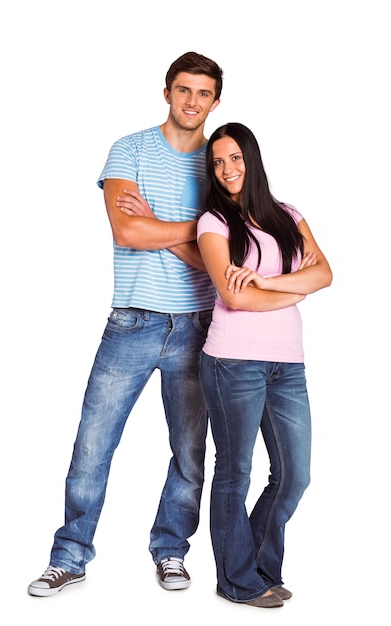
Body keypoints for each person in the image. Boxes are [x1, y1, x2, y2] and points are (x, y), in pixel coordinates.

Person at [27, 51, 223, 597]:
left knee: (190, 450)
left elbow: (219, 254)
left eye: (203, 93)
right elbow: (126, 234)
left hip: (201, 325)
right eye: (183, 90)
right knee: (93, 443)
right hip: (132, 320)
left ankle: (171, 551)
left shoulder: (219, 162)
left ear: (215, 101)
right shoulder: (130, 149)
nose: (192, 102)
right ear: (167, 92)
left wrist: (159, 224)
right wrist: (193, 233)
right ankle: (69, 555)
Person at [196, 122, 332, 608]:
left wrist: (264, 282)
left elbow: (326, 274)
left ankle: (255, 566)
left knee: (295, 474)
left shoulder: (287, 215)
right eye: (218, 162)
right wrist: (291, 283)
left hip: (287, 366)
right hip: (232, 363)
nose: (228, 169)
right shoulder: (213, 222)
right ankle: (236, 579)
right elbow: (233, 296)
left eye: (235, 158)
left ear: (251, 159)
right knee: (235, 472)